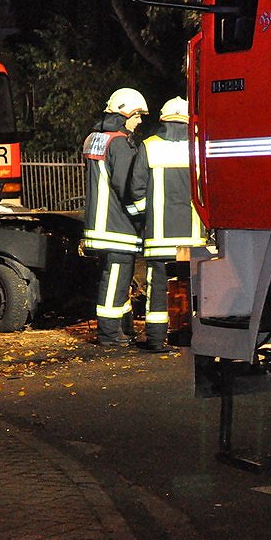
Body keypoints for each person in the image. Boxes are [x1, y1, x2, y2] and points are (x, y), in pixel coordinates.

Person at [128, 96, 207, 352]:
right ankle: (196, 337)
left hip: (159, 238)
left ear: (162, 120)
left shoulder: (149, 146)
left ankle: (156, 339)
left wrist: (144, 218)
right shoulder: (197, 149)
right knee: (195, 291)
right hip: (193, 239)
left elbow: (136, 190)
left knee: (157, 290)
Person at [82, 87, 148, 346]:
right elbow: (127, 187)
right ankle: (110, 334)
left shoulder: (94, 138)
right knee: (115, 282)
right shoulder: (120, 143)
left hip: (98, 225)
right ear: (124, 113)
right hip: (117, 226)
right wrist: (141, 217)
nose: (140, 121)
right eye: (137, 115)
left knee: (116, 281)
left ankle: (124, 328)